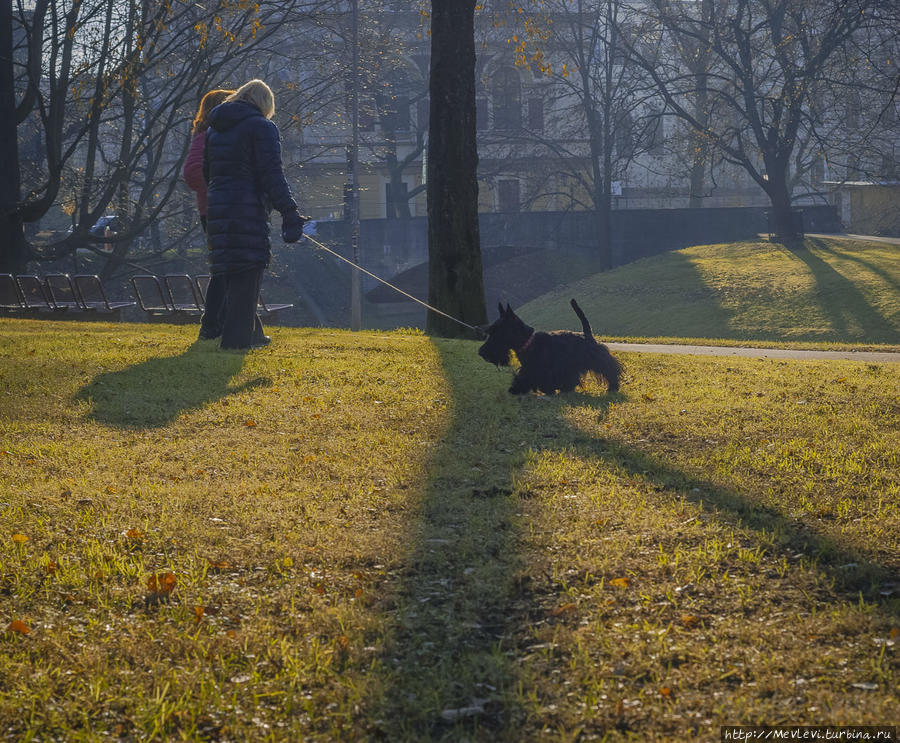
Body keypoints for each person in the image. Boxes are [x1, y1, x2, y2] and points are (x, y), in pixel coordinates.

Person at [203, 79, 306, 350]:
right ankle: (236, 344)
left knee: (232, 277)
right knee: (247, 278)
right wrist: (289, 211)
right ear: (265, 104)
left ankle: (252, 337)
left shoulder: (214, 130)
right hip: (246, 211)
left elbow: (207, 173)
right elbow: (271, 174)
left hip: (218, 211)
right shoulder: (261, 127)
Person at [184, 88, 233, 341]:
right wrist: (218, 188)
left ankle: (218, 324)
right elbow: (192, 172)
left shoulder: (212, 134)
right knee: (224, 269)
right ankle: (212, 324)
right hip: (215, 209)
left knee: (227, 269)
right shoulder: (207, 136)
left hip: (216, 208)